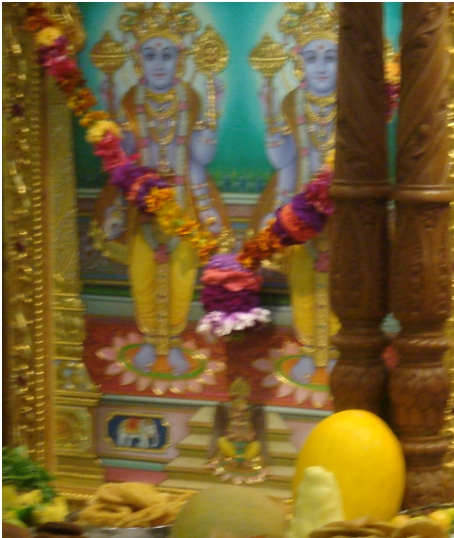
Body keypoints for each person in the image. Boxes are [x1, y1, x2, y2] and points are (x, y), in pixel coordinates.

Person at [93, 4, 229, 377]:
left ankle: (172, 342)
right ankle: (152, 343)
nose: (159, 63)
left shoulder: (191, 97)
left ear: (180, 60)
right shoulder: (130, 100)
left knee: (182, 278)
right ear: (138, 59)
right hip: (140, 208)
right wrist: (113, 125)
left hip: (183, 205)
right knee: (142, 277)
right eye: (150, 55)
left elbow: (201, 156)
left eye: (167, 55)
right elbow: (122, 158)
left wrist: (213, 112)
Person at [249, 3, 339, 388]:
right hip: (301, 209)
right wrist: (271, 118)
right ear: (299, 62)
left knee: (343, 280)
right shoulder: (291, 102)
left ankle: (336, 349)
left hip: (343, 212)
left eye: (330, 57)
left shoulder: (355, 103)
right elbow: (285, 161)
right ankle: (310, 348)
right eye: (312, 57)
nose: (321, 66)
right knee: (302, 280)